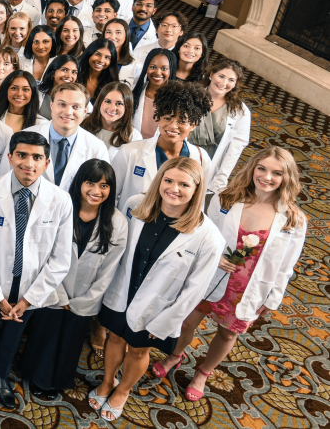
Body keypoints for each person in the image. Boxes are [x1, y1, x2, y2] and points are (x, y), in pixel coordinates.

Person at [151, 147, 307, 401]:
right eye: (262, 169)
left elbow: (286, 265)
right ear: (253, 168)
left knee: (227, 333)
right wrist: (216, 258)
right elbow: (204, 233)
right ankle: (175, 355)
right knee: (187, 321)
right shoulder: (228, 199)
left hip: (248, 289)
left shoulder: (293, 220)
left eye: (276, 173)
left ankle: (203, 372)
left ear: (286, 177)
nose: (267, 177)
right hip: (212, 275)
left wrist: (272, 298)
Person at [91, 157, 224, 421]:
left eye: (184, 184)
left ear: (197, 189)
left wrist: (167, 322)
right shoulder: (135, 206)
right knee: (115, 338)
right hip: (121, 291)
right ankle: (107, 381)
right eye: (169, 180)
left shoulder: (209, 237)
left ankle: (123, 391)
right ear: (159, 180)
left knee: (139, 350)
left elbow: (195, 290)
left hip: (158, 308)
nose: (174, 188)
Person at [0, 131, 74, 409]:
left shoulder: (60, 200)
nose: (29, 163)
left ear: (47, 163)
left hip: (30, 287)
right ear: (10, 157)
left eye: (37, 157)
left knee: (13, 333)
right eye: (22, 155)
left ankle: (1, 374)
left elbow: (61, 259)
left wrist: (27, 300)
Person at [19, 159, 127, 399]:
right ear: (80, 182)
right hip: (52, 287)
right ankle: (38, 376)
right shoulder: (60, 207)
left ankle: (59, 379)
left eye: (104, 186)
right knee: (47, 333)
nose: (96, 191)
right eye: (90, 183)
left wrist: (88, 299)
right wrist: (59, 294)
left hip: (85, 296)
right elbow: (43, 253)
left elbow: (110, 269)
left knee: (71, 339)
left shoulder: (118, 222)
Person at [113, 80, 213, 212]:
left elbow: (198, 204)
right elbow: (111, 196)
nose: (172, 126)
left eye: (182, 121)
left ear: (193, 125)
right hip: (132, 225)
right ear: (158, 118)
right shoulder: (130, 152)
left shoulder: (201, 158)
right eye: (167, 118)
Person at [0, 82, 109, 191]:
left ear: (85, 111)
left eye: (76, 107)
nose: (68, 112)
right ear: (52, 105)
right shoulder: (21, 139)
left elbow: (100, 189)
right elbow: (3, 181)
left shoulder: (97, 148)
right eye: (62, 104)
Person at [189, 60, 251, 196]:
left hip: (209, 165)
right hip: (183, 155)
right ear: (211, 74)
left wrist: (221, 178)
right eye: (221, 76)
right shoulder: (191, 96)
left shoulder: (241, 112)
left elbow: (235, 150)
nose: (224, 83)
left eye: (231, 80)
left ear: (235, 84)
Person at [82, 81, 140, 160]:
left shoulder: (134, 137)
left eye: (119, 103)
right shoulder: (82, 123)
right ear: (99, 102)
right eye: (108, 101)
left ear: (127, 107)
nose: (112, 108)